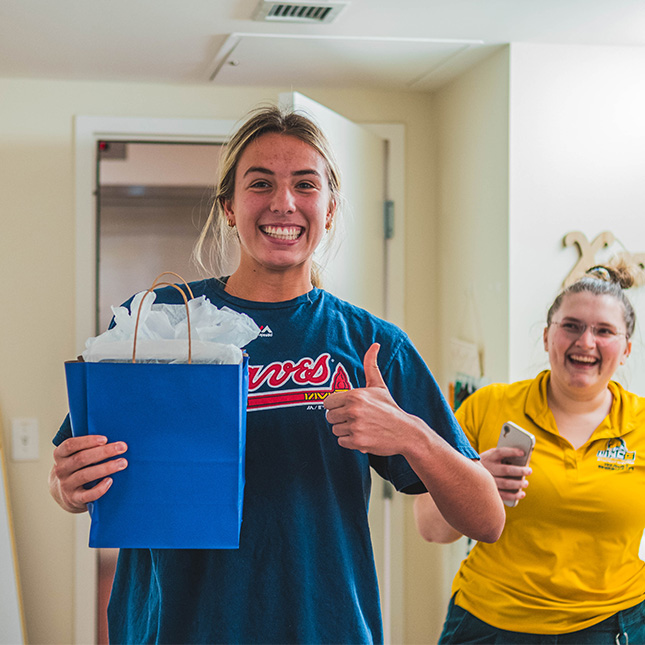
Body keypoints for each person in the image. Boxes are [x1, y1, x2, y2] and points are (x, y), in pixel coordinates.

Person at [49, 105, 504, 644]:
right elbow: (69, 476)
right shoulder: (162, 322)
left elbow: (487, 519)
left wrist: (411, 435)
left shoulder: (368, 346)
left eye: (305, 185)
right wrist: (69, 486)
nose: (283, 203)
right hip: (173, 626)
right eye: (260, 183)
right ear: (229, 207)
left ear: (330, 208)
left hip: (323, 627)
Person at [414, 263, 645, 644]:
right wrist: (472, 479)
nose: (586, 342)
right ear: (546, 336)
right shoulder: (486, 407)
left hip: (612, 627)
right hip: (490, 624)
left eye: (604, 331)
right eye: (571, 325)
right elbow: (431, 528)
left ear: (626, 350)